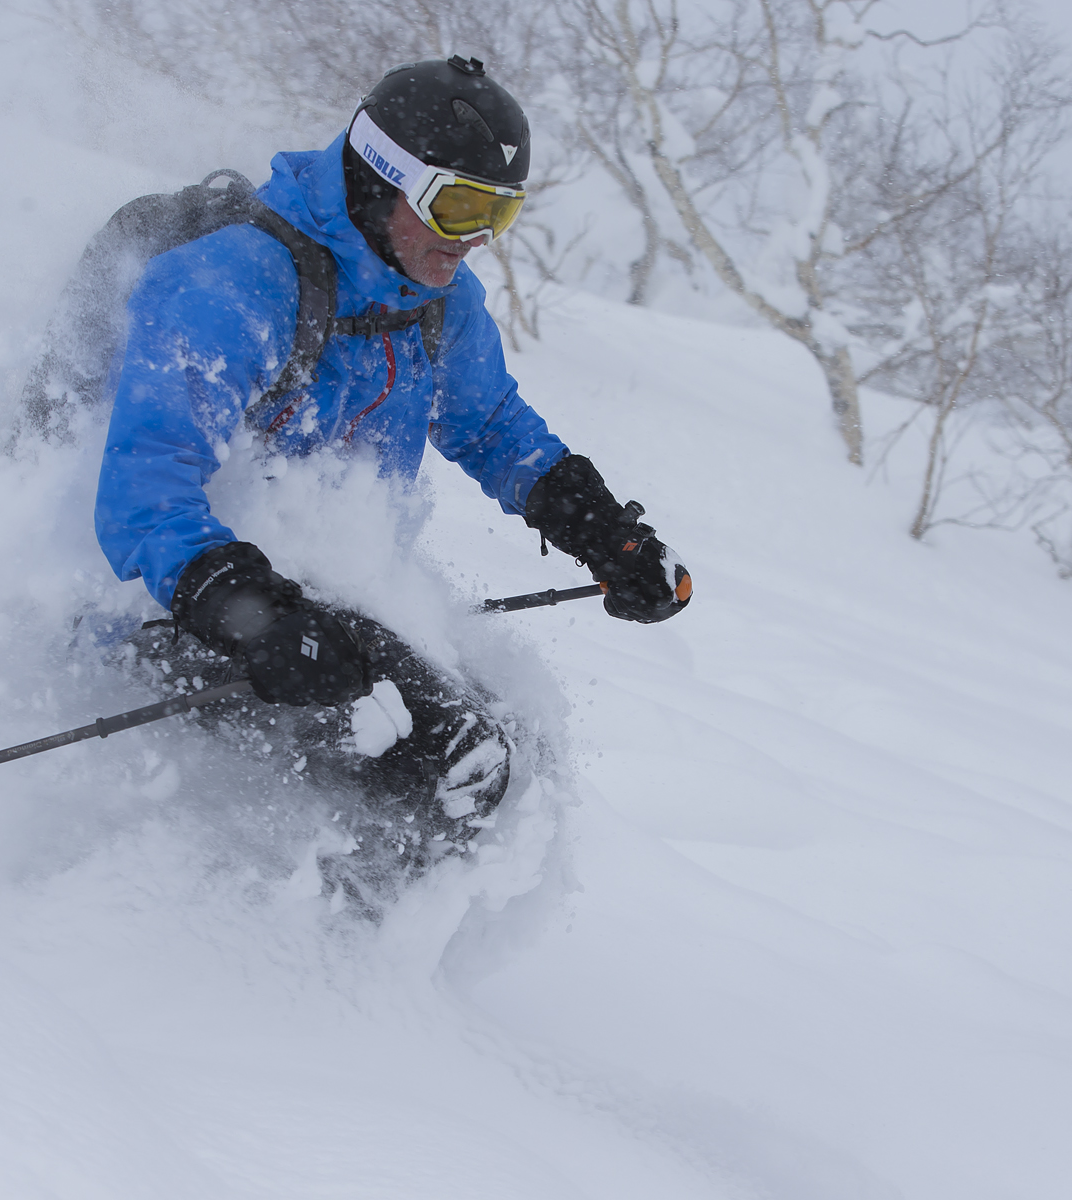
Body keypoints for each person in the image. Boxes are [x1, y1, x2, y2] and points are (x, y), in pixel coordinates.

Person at [93, 56, 691, 884]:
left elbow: (488, 425)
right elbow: (142, 493)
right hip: (170, 592)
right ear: (382, 180)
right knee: (454, 759)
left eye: (500, 213)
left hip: (314, 586)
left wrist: (601, 531)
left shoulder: (434, 300)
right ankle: (277, 958)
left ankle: (362, 945)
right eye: (460, 206)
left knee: (514, 741)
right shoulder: (233, 282)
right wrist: (257, 619)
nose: (476, 239)